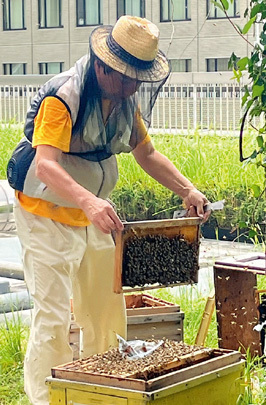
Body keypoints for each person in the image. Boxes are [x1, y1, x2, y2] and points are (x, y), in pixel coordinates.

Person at [7, 15, 210, 405]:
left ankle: (101, 394)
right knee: (53, 319)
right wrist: (88, 199)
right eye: (127, 75)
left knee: (105, 312)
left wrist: (188, 189)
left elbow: (146, 153)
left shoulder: (125, 101)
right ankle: (47, 399)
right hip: (44, 213)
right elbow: (46, 163)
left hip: (93, 213)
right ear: (103, 65)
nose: (133, 84)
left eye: (140, 76)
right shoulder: (62, 97)